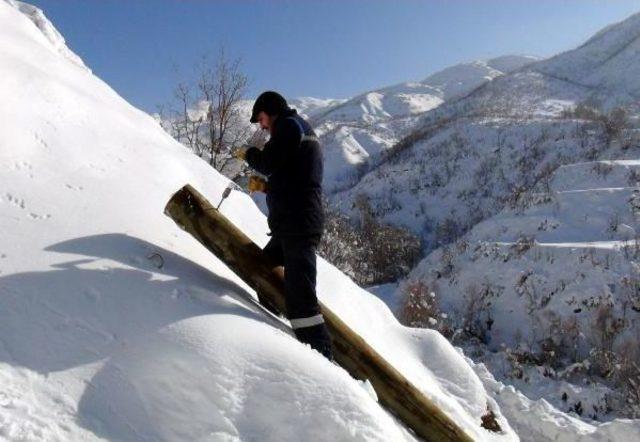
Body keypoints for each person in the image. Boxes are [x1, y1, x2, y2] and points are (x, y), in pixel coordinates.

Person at [235, 91, 334, 360]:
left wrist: (249, 153)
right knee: (260, 270)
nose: (262, 125)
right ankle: (272, 331)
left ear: (271, 111)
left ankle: (323, 360)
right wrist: (267, 188)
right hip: (292, 223)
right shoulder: (298, 128)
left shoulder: (289, 127)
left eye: (262, 119)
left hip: (298, 225)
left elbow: (268, 162)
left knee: (302, 301)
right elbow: (295, 178)